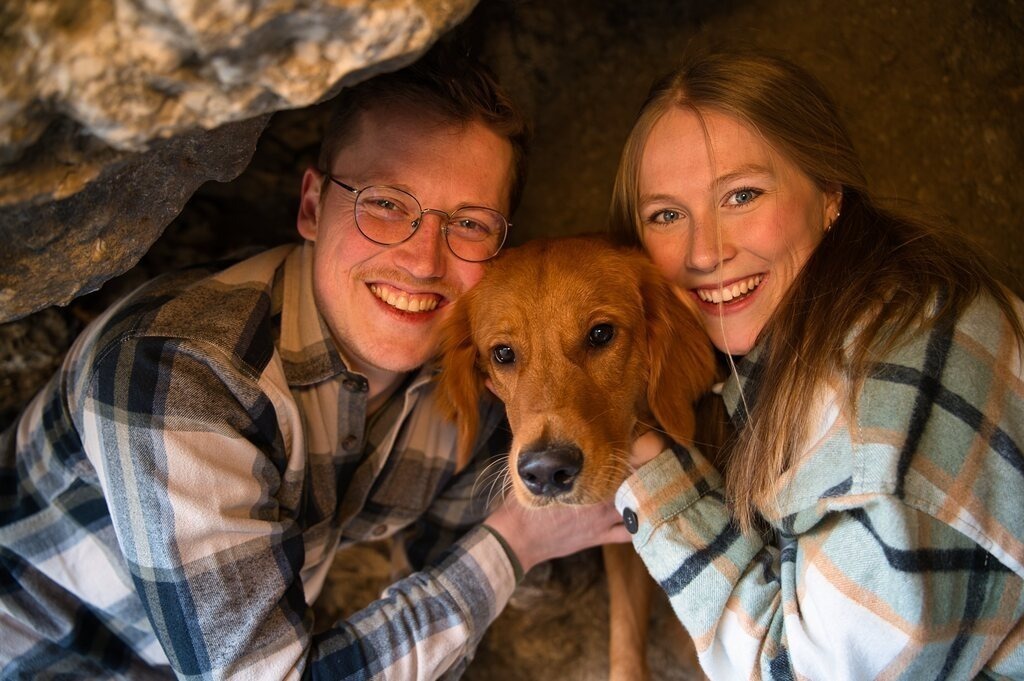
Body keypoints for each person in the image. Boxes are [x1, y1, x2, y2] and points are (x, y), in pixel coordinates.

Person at [0, 45, 628, 679]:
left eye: (468, 224)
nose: (423, 261)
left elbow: (445, 571)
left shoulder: (477, 373)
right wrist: (517, 543)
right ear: (310, 208)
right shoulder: (180, 371)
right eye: (386, 203)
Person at [608, 49, 1024, 680]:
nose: (704, 253)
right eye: (666, 215)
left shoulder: (878, 425)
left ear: (829, 192)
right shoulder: (874, 299)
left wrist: (653, 474)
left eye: (741, 195)